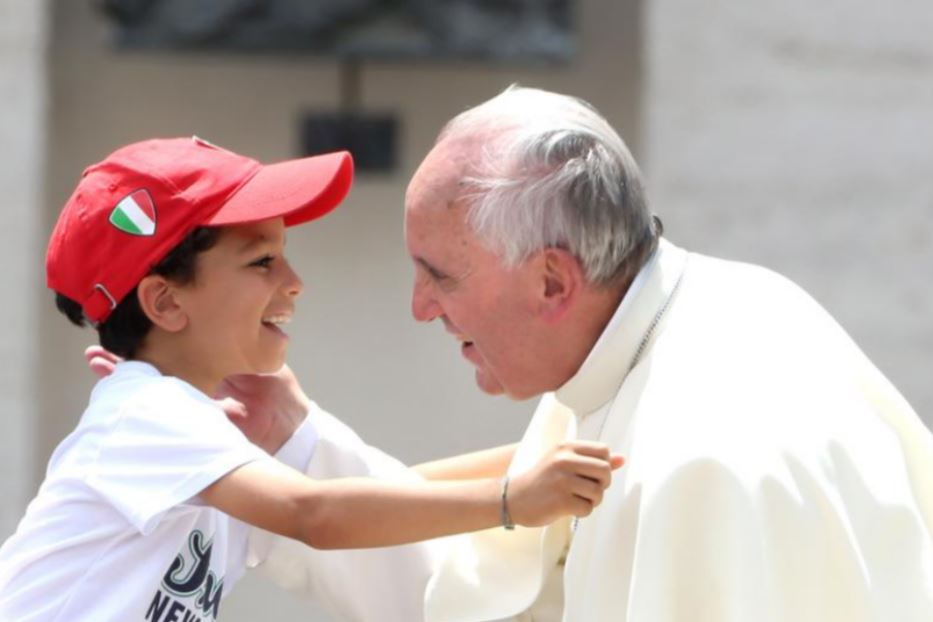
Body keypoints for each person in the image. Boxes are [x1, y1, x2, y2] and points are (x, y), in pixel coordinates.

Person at [0, 136, 623, 622]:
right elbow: (316, 514)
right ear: (165, 304)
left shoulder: (199, 433)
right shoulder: (149, 413)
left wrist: (557, 460)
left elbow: (385, 491)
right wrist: (513, 500)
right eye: (262, 261)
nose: (294, 281)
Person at [400, 86, 933, 621]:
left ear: (553, 283)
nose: (420, 308)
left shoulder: (702, 470)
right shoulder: (733, 298)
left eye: (439, 277)